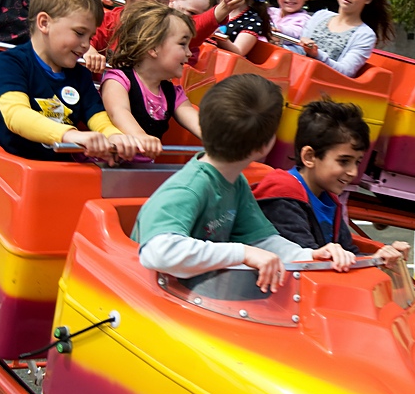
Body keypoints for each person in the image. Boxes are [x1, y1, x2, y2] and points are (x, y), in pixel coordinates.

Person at [131, 74, 357, 294]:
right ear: (263, 147)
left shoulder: (234, 181)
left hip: (191, 294)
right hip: (143, 296)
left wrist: (307, 256)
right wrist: (242, 253)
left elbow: (261, 239)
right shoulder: (188, 187)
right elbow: (158, 253)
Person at [0, 0, 143, 166]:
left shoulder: (79, 74)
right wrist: (69, 135)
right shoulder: (10, 63)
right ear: (44, 23)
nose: (86, 45)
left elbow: (97, 116)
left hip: (58, 169)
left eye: (90, 36)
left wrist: (114, 136)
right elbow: (16, 115)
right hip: (10, 167)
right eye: (79, 33)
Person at [252, 98, 410, 268]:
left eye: (357, 162)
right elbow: (305, 263)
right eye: (344, 161)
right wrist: (372, 259)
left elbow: (348, 252)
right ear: (309, 157)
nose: (353, 172)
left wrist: (382, 257)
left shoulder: (328, 198)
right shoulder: (283, 196)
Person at [101, 1, 201, 158]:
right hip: (107, 167)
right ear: (153, 48)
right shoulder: (119, 80)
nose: (189, 53)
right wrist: (139, 135)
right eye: (182, 44)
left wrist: (222, 139)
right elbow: (118, 111)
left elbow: (197, 121)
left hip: (143, 171)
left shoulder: (172, 93)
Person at [290, 0, 395, 78]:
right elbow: (298, 50)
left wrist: (317, 54)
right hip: (296, 76)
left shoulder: (365, 35)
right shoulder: (320, 15)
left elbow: (345, 72)